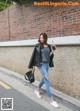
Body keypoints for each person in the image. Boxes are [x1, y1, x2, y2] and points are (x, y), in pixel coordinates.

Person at [28, 33, 59, 108]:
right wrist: (32, 66)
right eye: (40, 37)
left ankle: (37, 90)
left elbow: (48, 56)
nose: (41, 39)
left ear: (45, 38)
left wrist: (53, 51)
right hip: (41, 65)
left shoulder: (48, 46)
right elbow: (34, 56)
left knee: (44, 79)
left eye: (42, 37)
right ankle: (50, 100)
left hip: (47, 65)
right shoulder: (37, 46)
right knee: (47, 81)